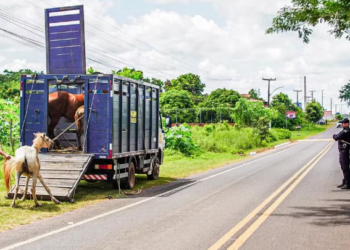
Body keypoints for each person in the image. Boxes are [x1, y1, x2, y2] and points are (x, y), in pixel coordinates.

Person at [333, 118, 350, 189]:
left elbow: (336, 137)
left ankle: (348, 183)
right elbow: (336, 136)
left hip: (345, 151)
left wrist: (337, 137)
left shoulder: (346, 131)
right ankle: (345, 181)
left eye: (343, 123)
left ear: (347, 124)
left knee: (345, 167)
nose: (342, 125)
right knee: (343, 166)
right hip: (342, 151)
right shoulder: (344, 131)